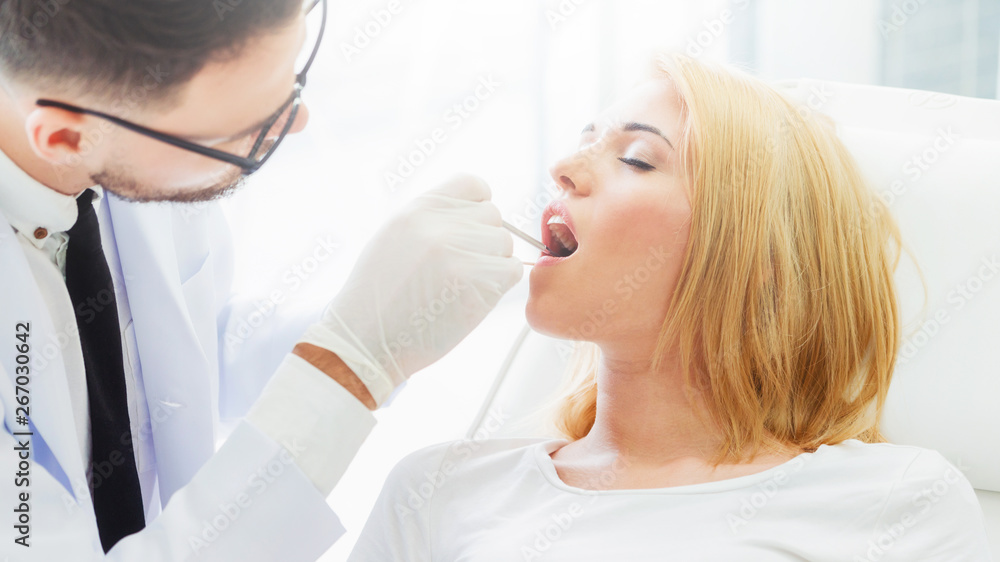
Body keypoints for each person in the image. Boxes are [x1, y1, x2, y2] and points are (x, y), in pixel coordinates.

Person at [347, 53, 994, 561]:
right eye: (584, 140)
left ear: (757, 260)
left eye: (636, 158)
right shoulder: (435, 492)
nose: (563, 167)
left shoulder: (897, 503)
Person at [0, 0, 521, 559]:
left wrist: (377, 315)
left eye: (293, 72)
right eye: (248, 128)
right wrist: (351, 365)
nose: (298, 122)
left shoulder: (142, 145)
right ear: (64, 138)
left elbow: (178, 357)